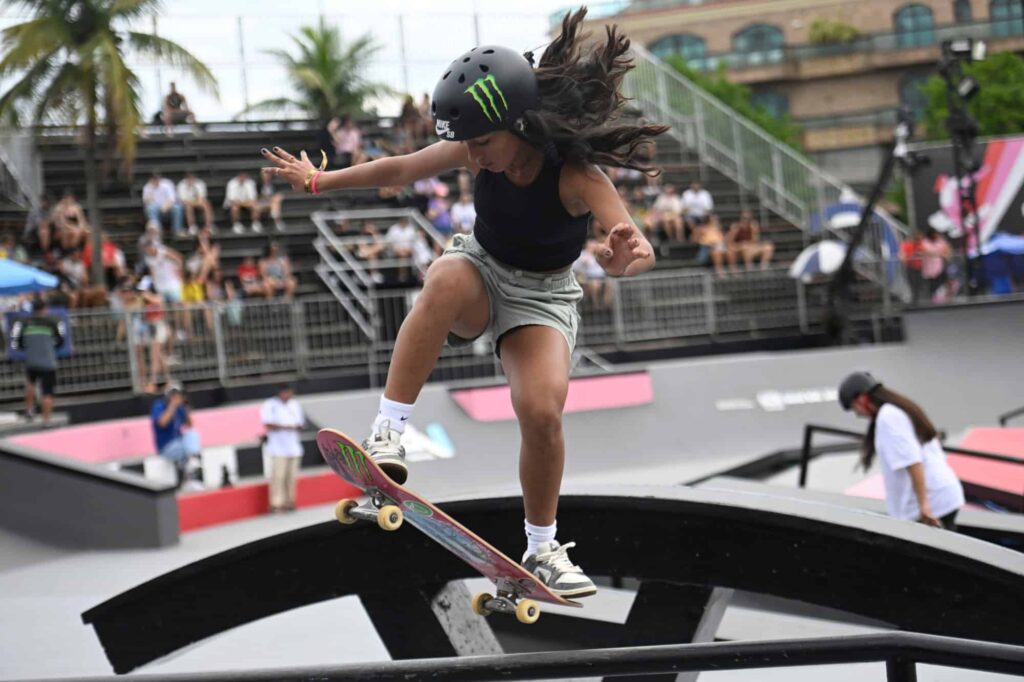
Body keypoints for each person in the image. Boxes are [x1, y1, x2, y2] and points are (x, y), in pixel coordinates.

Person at [262, 7, 666, 599]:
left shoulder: (578, 175)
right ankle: (388, 434)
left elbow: (639, 247)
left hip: (543, 300)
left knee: (542, 411)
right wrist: (321, 182)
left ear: (521, 124)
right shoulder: (473, 147)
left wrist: (625, 256)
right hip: (480, 271)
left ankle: (542, 548)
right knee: (446, 275)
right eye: (468, 148)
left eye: (482, 145)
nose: (473, 160)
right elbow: (399, 169)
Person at [838, 372, 964, 530]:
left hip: (932, 502)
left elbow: (913, 461)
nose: (857, 414)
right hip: (941, 497)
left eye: (853, 407)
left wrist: (924, 506)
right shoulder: (896, 410)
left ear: (862, 399)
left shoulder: (888, 417)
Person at [12, 297, 65, 424]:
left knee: (30, 384)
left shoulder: (25, 323)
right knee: (47, 392)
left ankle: (30, 411)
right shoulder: (51, 322)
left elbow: (18, 343)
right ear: (43, 309)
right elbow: (60, 341)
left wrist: (29, 349)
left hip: (31, 361)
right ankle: (46, 421)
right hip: (48, 362)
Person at [261, 384, 306, 512]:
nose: (288, 395)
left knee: (291, 477)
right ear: (280, 393)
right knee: (278, 476)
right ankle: (276, 503)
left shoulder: (294, 404)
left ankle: (289, 501)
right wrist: (288, 427)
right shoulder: (270, 405)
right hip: (278, 447)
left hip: (293, 446)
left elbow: (300, 424)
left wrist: (289, 427)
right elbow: (268, 424)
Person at [150, 383, 203, 489]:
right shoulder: (159, 406)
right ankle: (192, 463)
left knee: (192, 434)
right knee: (187, 449)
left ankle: (190, 474)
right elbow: (162, 423)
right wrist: (172, 406)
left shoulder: (180, 408)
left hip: (179, 445)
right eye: (174, 395)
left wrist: (186, 408)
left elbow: (189, 425)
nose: (177, 398)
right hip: (166, 446)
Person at [142, 171, 185, 237]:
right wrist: (149, 197)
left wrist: (165, 206)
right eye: (154, 179)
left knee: (177, 208)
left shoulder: (167, 184)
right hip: (155, 208)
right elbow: (146, 202)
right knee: (150, 209)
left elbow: (172, 199)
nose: (156, 180)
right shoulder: (147, 187)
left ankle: (177, 231)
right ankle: (158, 232)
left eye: (157, 178)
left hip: (168, 206)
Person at [177, 171, 215, 235]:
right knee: (188, 206)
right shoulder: (181, 185)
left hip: (197, 202)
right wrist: (193, 202)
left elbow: (202, 198)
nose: (191, 179)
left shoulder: (200, 183)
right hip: (186, 204)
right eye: (189, 178)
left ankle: (208, 226)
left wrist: (195, 201)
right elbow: (183, 200)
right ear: (186, 178)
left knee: (206, 204)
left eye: (192, 177)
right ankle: (192, 227)